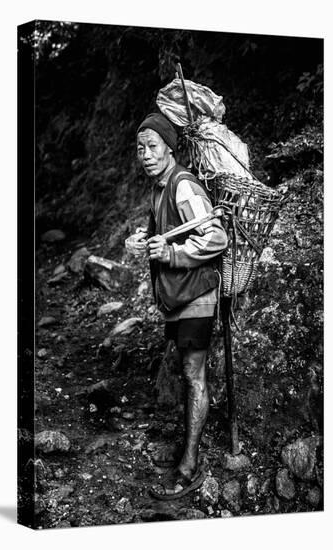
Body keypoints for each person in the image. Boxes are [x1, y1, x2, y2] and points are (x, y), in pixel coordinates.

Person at [127, 112, 228, 500]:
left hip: (197, 295)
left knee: (193, 374)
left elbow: (215, 238)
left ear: (169, 148)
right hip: (178, 297)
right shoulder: (159, 188)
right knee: (188, 374)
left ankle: (190, 465)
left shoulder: (184, 186)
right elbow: (162, 234)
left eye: (153, 146)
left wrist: (171, 252)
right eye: (140, 148)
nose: (146, 154)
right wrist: (145, 241)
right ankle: (187, 452)